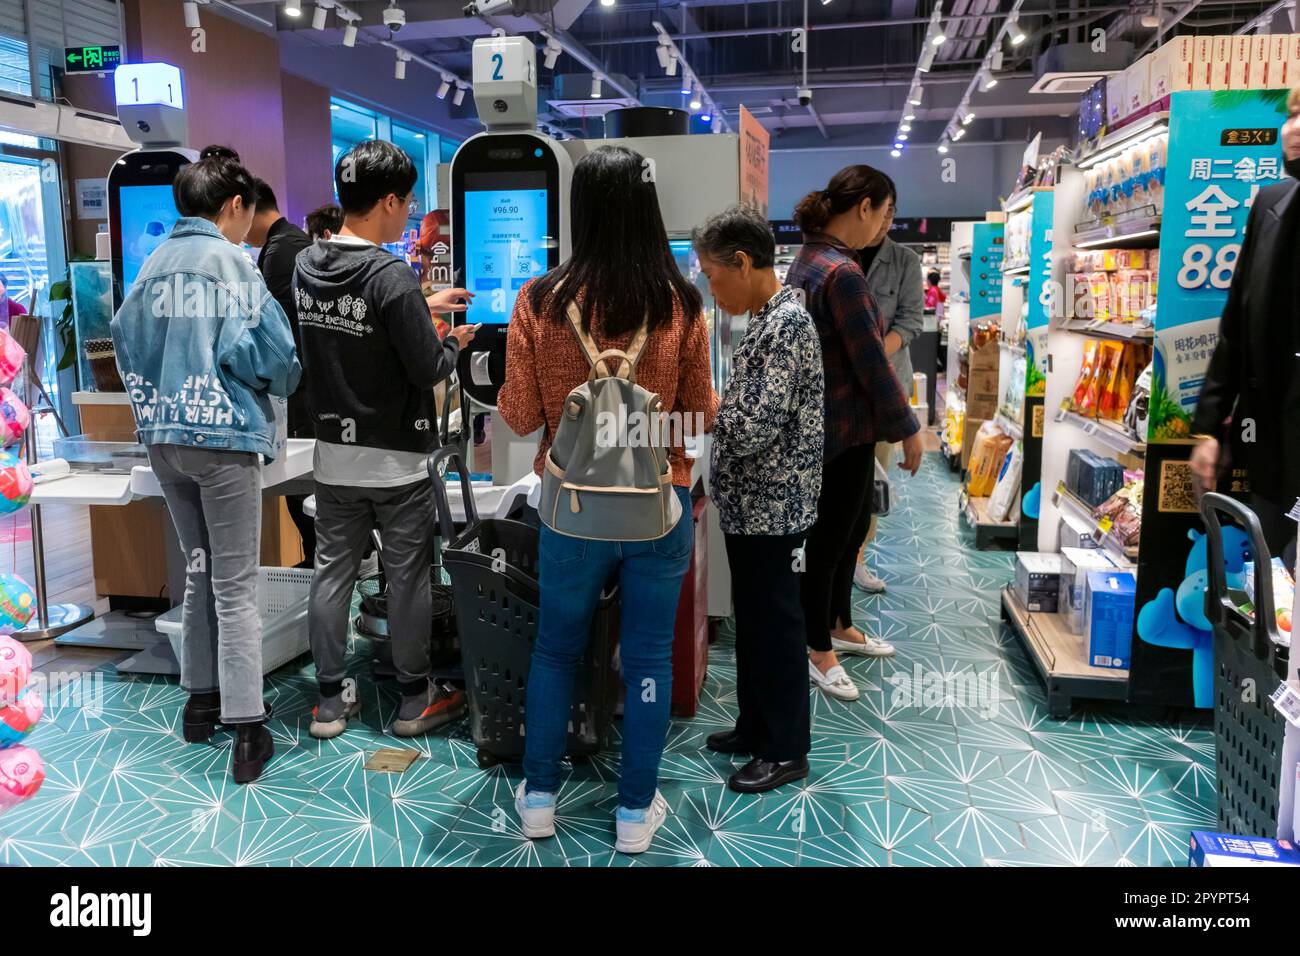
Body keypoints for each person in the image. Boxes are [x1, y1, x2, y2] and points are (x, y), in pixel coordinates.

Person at [498, 145, 718, 854]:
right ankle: (632, 813)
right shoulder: (682, 303)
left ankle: (538, 798)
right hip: (660, 507)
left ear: (580, 208)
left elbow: (521, 415)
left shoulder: (538, 301)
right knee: (650, 660)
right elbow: (700, 415)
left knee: (556, 651)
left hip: (571, 512)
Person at [109, 152, 300, 784]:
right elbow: (276, 351)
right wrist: (256, 383)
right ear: (235, 207)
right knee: (236, 585)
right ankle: (249, 729)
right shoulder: (232, 263)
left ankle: (198, 704)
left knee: (198, 571)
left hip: (164, 439)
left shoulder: (153, 264)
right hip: (221, 440)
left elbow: (123, 338)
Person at [294, 141, 476, 740]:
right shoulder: (391, 274)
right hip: (397, 461)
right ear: (390, 201)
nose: (409, 214)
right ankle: (413, 698)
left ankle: (327, 703)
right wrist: (453, 340)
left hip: (332, 456)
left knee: (331, 574)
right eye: (408, 203)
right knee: (408, 578)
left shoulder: (307, 264)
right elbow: (427, 368)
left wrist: (421, 303)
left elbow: (359, 319)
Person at [695, 205, 824, 793]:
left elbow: (754, 427)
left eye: (714, 276)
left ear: (742, 263)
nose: (712, 289)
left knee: (776, 624)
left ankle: (784, 747)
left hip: (776, 510)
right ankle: (755, 725)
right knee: (755, 620)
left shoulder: (787, 325)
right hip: (754, 507)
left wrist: (712, 409)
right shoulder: (768, 319)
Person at [786, 164, 922, 703]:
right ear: (862, 207)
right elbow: (870, 363)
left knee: (848, 531)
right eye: (883, 213)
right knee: (831, 540)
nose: (883, 225)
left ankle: (839, 622)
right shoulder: (841, 272)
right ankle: (819, 648)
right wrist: (910, 429)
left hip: (832, 424)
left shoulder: (809, 259)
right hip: (840, 426)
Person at [1191, 84, 1300, 558]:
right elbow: (1235, 326)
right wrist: (1209, 429)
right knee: (1273, 599)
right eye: (1292, 114)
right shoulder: (1271, 205)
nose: (1291, 129)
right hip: (1274, 454)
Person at [852, 179, 924, 594]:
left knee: (873, 476)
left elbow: (911, 320)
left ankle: (859, 557)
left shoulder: (905, 261)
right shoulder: (842, 255)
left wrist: (873, 351)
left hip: (886, 386)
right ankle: (839, 553)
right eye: (882, 211)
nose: (885, 221)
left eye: (892, 213)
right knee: (844, 476)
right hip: (843, 391)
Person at [246, 179, 316, 568]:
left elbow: (278, 333)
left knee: (303, 499)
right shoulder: (288, 242)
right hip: (303, 390)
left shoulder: (280, 250)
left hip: (300, 394)